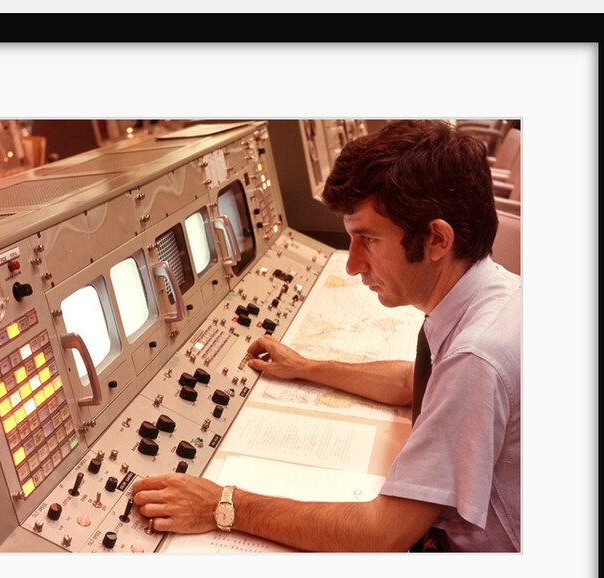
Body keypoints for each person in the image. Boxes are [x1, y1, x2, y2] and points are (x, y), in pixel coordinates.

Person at [131, 120, 520, 552]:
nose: (352, 264)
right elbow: (415, 382)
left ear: (436, 239)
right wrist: (307, 368)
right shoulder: (490, 291)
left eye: (367, 239)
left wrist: (223, 505)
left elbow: (382, 534)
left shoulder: (476, 359)